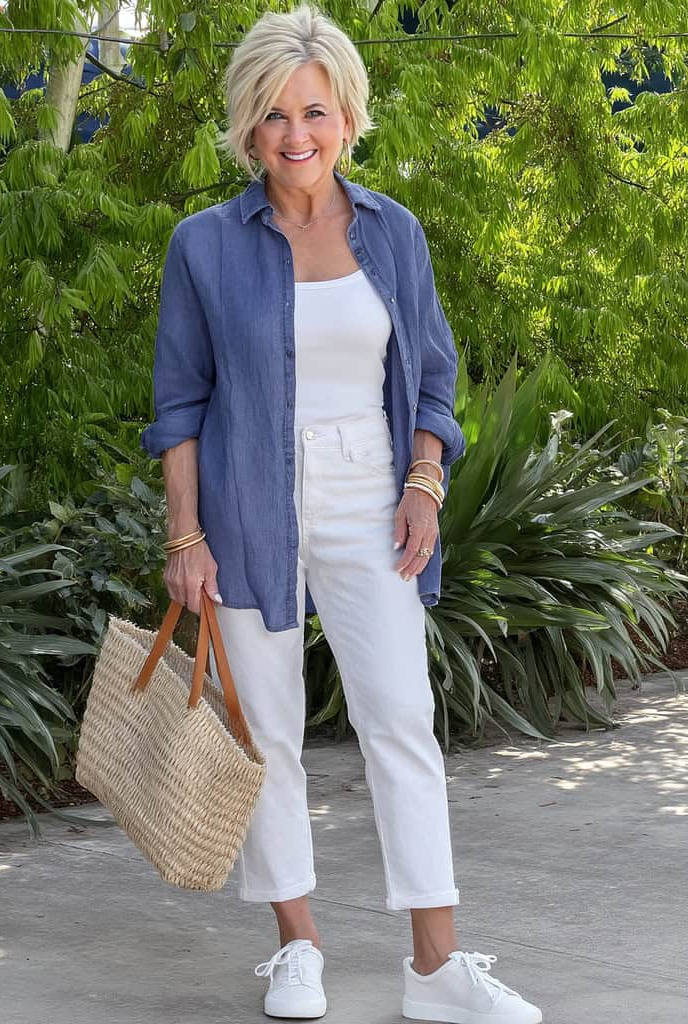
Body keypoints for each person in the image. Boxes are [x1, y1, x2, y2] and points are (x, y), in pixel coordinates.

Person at [141, 5, 542, 1022]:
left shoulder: (392, 233)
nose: (295, 135)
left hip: (370, 498)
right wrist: (183, 538)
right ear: (246, 127)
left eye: (313, 111)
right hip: (244, 508)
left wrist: (423, 482)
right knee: (265, 733)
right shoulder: (204, 245)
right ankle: (297, 948)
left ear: (348, 116)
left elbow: (433, 379)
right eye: (273, 116)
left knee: (400, 719)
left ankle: (435, 968)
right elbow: (178, 404)